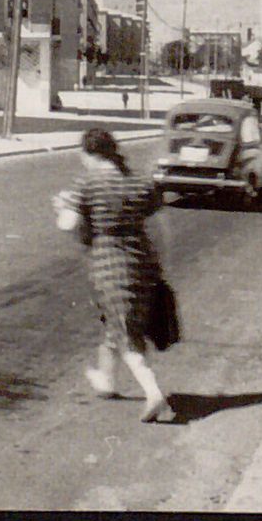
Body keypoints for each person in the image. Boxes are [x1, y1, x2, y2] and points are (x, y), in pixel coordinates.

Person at [54, 128, 172, 422]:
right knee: (119, 321)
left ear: (88, 154)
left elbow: (68, 225)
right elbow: (160, 219)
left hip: (109, 263)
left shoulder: (87, 183)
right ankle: (106, 381)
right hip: (142, 260)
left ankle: (153, 392)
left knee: (124, 331)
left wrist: (61, 208)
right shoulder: (137, 181)